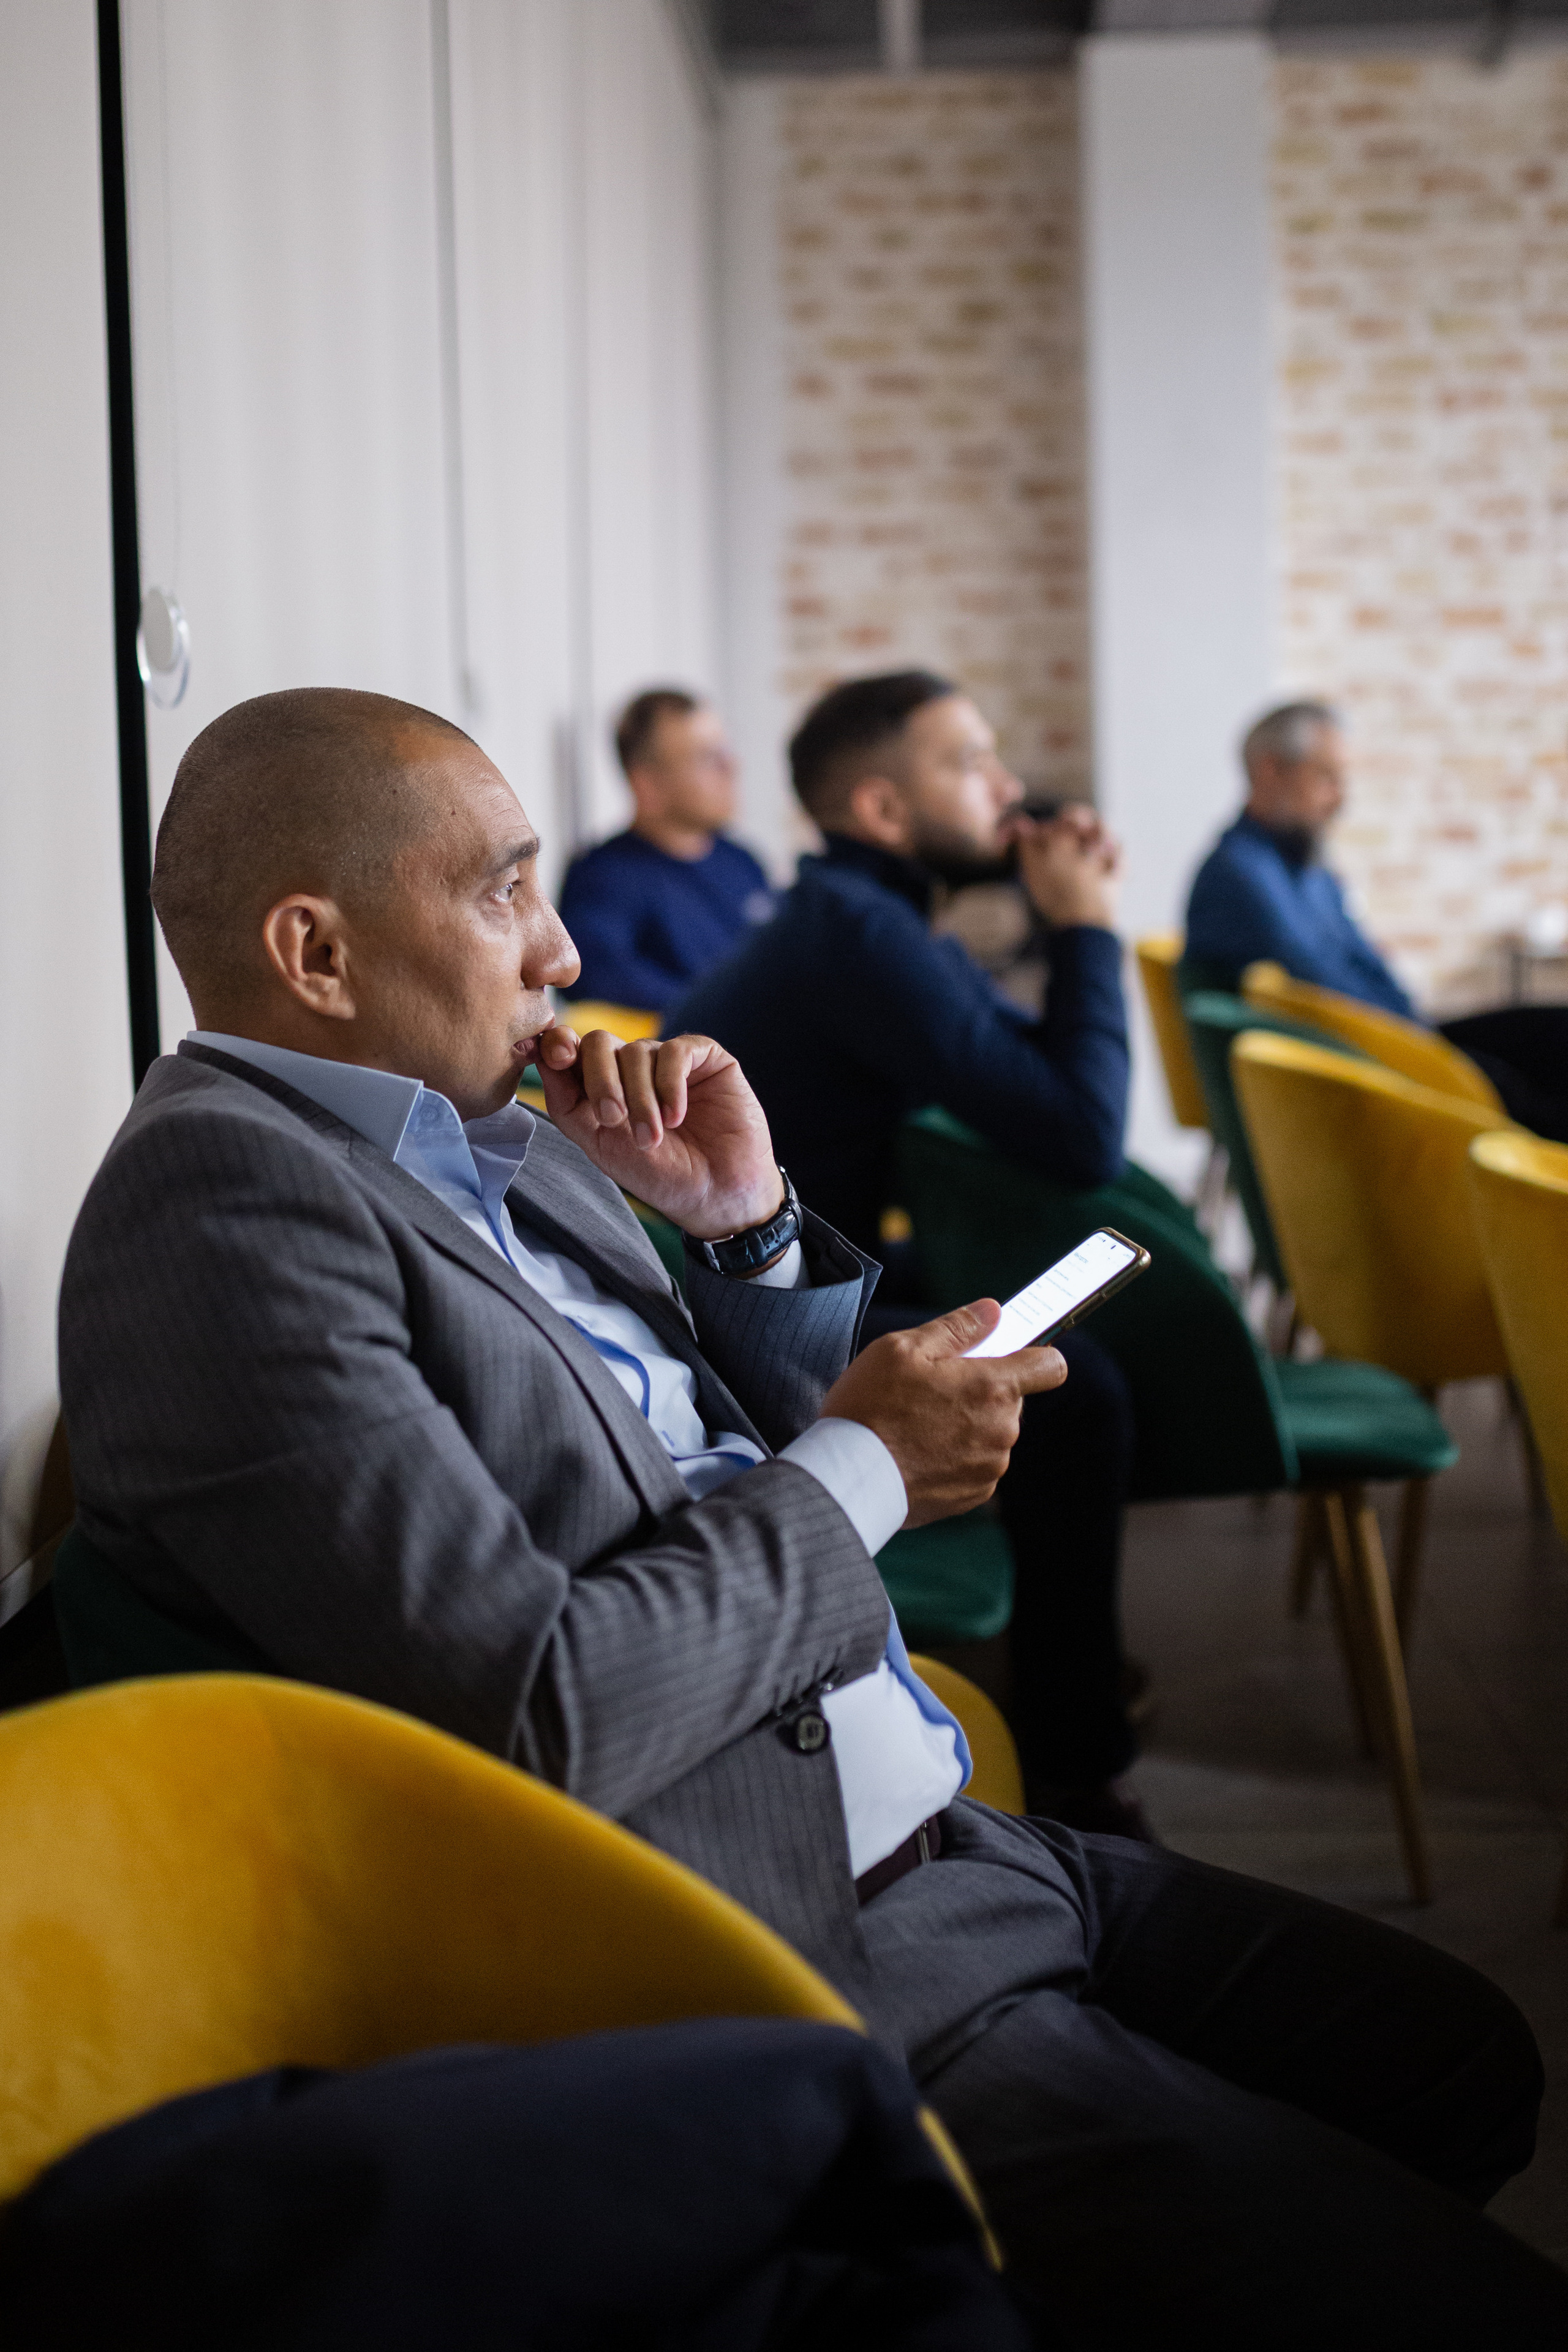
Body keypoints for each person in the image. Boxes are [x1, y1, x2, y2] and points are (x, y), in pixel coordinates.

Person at [58, 690, 1565, 2346]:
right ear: (316, 953)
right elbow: (537, 1708)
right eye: (502, 892)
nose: (559, 948)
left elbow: (706, 1456)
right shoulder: (218, 1209)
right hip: (810, 1944)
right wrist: (868, 1466)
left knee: (1469, 2059)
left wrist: (746, 1235)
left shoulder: (503, 1137)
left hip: (967, 1841)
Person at [672, 671, 1141, 1833]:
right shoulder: (861, 937)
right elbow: (1082, 1132)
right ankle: (1083, 1769)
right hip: (752, 1328)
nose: (1010, 787)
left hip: (797, 1278)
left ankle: (1073, 1679)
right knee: (1086, 1399)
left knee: (1054, 1350)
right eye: (971, 762)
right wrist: (1084, 923)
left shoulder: (859, 918)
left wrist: (1061, 917)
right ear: (882, 811)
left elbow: (1016, 1062)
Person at [1186, 700, 1568, 1142]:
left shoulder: (1305, 869)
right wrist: (1427, 1047)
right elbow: (1325, 993)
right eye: (1327, 777)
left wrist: (1419, 1027)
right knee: (1524, 1093)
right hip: (1372, 1064)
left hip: (1399, 1037)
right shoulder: (1242, 877)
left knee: (1555, 1032)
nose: (1341, 797)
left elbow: (1365, 964)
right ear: (1271, 770)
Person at [556, 687, 774, 1013]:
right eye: (706, 758)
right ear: (647, 785)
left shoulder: (742, 861)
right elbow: (591, 978)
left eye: (725, 751)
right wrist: (728, 1014)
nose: (730, 768)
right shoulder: (604, 877)